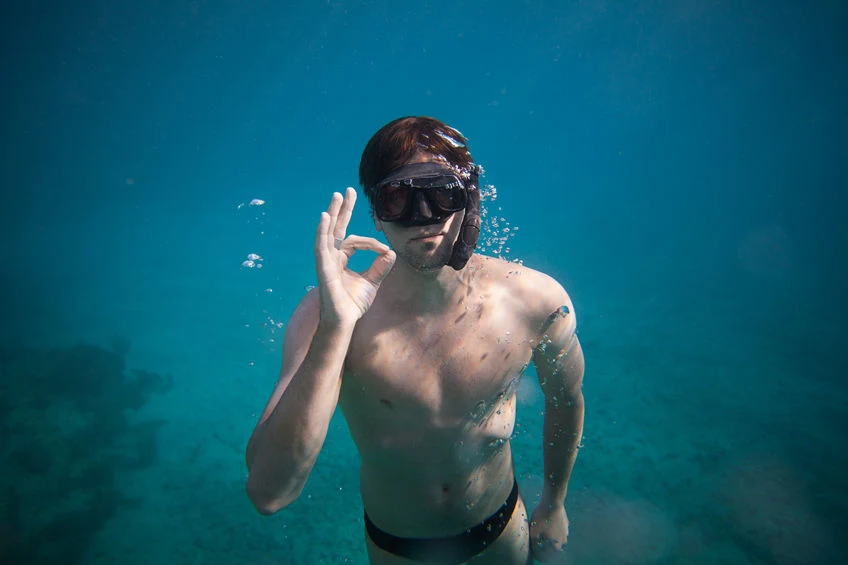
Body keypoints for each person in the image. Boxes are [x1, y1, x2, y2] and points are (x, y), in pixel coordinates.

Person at [245, 117, 585, 564]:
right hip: (399, 549)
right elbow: (269, 493)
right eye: (398, 198)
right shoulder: (327, 316)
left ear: (470, 198)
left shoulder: (536, 302)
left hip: (502, 531)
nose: (424, 218)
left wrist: (555, 503)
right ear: (375, 213)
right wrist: (336, 328)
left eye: (442, 193)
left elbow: (566, 400)